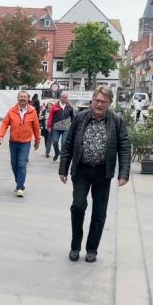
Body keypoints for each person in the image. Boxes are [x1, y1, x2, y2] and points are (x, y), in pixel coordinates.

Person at [58, 85, 130, 263]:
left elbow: (124, 147)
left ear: (110, 103)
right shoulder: (80, 117)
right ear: (92, 100)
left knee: (99, 212)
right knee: (78, 206)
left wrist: (124, 173)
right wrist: (63, 168)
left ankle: (92, 249)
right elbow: (68, 143)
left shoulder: (117, 120)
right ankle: (75, 246)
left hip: (103, 172)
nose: (99, 104)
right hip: (81, 170)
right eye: (96, 100)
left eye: (103, 102)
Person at [0, 90, 40, 197]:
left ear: (28, 99)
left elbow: (36, 127)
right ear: (17, 98)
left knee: (21, 164)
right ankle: (18, 183)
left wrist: (37, 140)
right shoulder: (12, 111)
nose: (23, 98)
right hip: (13, 142)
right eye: (21, 96)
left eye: (25, 97)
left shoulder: (32, 111)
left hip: (25, 143)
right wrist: (0, 136)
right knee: (14, 164)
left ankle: (20, 187)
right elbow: (5, 124)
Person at [47, 91, 75, 162]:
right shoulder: (55, 106)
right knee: (55, 141)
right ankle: (57, 152)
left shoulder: (70, 107)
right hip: (56, 127)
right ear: (61, 98)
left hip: (66, 128)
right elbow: (50, 117)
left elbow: (73, 118)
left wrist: (74, 127)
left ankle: (62, 157)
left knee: (64, 142)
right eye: (65, 97)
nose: (66, 99)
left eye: (67, 97)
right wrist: (49, 126)